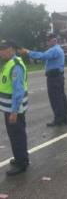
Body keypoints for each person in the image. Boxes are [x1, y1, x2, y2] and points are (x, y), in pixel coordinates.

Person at [19, 34, 67, 127]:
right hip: (58, 77)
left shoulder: (54, 50)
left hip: (54, 78)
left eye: (48, 41)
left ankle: (59, 120)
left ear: (53, 41)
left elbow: (42, 56)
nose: (47, 43)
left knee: (56, 99)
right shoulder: (57, 49)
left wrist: (28, 52)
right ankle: (65, 118)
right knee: (61, 98)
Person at [0, 40, 29, 176]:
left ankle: (21, 163)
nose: (1, 52)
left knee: (17, 135)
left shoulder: (15, 65)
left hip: (14, 110)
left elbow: (18, 91)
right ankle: (21, 158)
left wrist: (14, 111)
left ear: (11, 49)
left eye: (3, 49)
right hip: (10, 109)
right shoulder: (9, 64)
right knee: (16, 135)